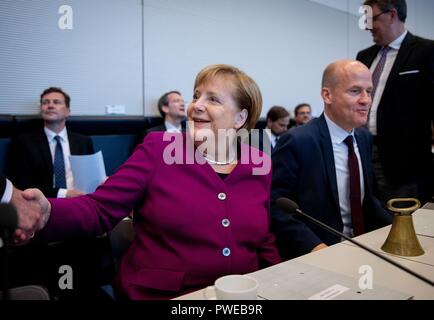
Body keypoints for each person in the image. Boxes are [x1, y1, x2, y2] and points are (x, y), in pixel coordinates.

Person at [25, 64, 281, 300]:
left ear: (239, 119)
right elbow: (99, 208)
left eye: (212, 99)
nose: (196, 106)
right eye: (195, 96)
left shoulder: (258, 163)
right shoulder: (158, 149)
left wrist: (278, 283)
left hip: (240, 296)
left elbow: (262, 236)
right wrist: (45, 212)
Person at [271, 60, 391, 260]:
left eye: (369, 91)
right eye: (355, 91)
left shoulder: (363, 138)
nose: (366, 100)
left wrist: (398, 228)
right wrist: (316, 247)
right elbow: (275, 207)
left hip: (364, 249)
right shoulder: (297, 141)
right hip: (317, 254)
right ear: (327, 95)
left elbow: (368, 200)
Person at [356, 0, 434, 204]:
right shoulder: (364, 56)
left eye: (371, 19)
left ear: (392, 15)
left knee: (402, 225)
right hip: (362, 152)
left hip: (406, 164)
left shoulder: (427, 51)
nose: (366, 26)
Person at [7, 87, 94, 199]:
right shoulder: (24, 143)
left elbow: (91, 177)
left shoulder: (83, 141)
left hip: (81, 200)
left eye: (56, 102)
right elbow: (21, 183)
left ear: (68, 111)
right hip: (43, 202)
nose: (50, 105)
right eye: (45, 102)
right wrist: (64, 194)